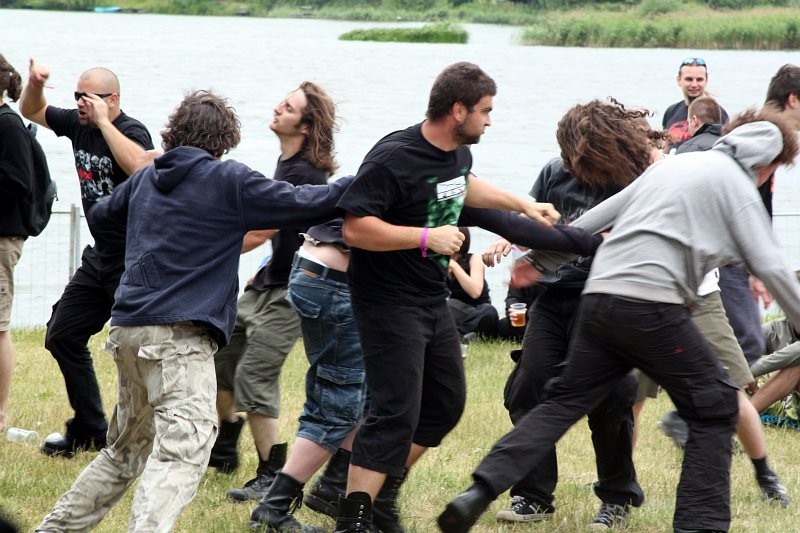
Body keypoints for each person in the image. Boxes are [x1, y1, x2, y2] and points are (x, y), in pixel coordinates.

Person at [438, 110, 800, 533]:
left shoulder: (675, 164)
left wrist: (539, 260)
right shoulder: (738, 185)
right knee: (716, 406)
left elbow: (595, 218)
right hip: (654, 306)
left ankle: (480, 490)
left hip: (599, 297)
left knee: (561, 401)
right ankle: (701, 525)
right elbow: (774, 269)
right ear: (765, 163)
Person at [35, 89, 354, 532]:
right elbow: (310, 202)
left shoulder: (147, 177)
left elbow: (103, 216)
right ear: (225, 139)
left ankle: (54, 529)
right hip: (178, 339)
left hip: (127, 328)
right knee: (184, 449)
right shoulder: (229, 180)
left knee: (124, 452)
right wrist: (370, 178)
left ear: (174, 130)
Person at [332, 61, 566, 532]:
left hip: (428, 299)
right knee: (395, 412)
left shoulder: (456, 154)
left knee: (444, 404)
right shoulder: (393, 157)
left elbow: (464, 186)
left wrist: (522, 203)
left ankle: (381, 498)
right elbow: (355, 228)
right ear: (457, 110)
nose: (490, 120)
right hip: (385, 300)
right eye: (485, 110)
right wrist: (425, 238)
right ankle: (352, 518)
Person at [483, 98, 660, 529]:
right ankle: (533, 495)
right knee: (528, 388)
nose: (574, 164)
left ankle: (617, 496)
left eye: (581, 156)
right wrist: (512, 242)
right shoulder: (554, 171)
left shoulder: (636, 178)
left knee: (612, 396)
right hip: (553, 300)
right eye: (568, 155)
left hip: (606, 299)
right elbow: (537, 223)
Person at [18, 59, 154, 457]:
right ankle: (91, 426)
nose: (80, 103)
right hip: (101, 256)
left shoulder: (130, 130)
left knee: (137, 350)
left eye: (89, 97)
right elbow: (31, 110)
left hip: (136, 261)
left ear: (113, 100)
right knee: (62, 333)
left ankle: (143, 434)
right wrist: (35, 84)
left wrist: (104, 122)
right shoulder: (78, 123)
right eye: (77, 95)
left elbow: (137, 166)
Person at [211, 82, 337, 503]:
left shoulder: (306, 174)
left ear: (305, 125)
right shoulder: (287, 164)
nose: (277, 109)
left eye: (288, 107)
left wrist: (210, 244)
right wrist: (264, 267)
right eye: (281, 103)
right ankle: (225, 449)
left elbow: (269, 228)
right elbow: (287, 234)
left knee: (255, 375)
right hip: (268, 283)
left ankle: (272, 474)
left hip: (293, 292)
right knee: (222, 358)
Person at [247, 217, 369, 532]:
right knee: (338, 403)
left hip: (315, 268)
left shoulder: (396, 173)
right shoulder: (423, 178)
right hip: (333, 281)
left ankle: (333, 487)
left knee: (361, 392)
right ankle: (273, 507)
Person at [0, 54, 34, 434]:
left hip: (3, 237)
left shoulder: (9, 125)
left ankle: (0, 413)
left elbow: (19, 183)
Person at [662, 57, 729, 154]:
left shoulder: (718, 113)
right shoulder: (671, 111)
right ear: (679, 80)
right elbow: (665, 147)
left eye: (699, 79)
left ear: (706, 80)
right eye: (689, 79)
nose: (694, 84)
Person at [447, 227, 498, 341]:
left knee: (489, 311)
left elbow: (475, 292)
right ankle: (465, 336)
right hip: (457, 311)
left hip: (478, 311)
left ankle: (457, 335)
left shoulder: (474, 259)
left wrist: (454, 266)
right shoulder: (440, 260)